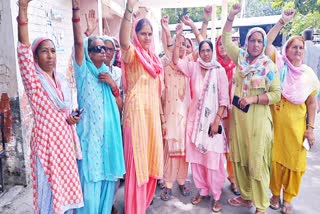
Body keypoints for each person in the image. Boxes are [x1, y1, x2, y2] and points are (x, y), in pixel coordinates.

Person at [16, 0, 83, 213]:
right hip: (46, 146)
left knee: (66, 194)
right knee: (48, 194)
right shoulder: (34, 80)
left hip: (64, 144)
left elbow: (64, 111)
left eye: (53, 51)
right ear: (36, 57)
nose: (50, 55)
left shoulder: (62, 80)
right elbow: (23, 52)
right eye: (44, 51)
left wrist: (72, 118)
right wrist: (23, 10)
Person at [222, 4, 281, 214]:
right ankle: (246, 197)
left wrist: (254, 98)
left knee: (257, 160)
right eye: (252, 40)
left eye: (259, 41)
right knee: (241, 158)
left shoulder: (269, 66)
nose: (255, 44)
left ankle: (262, 205)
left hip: (258, 119)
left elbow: (276, 94)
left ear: (263, 43)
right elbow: (225, 39)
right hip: (239, 119)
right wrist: (231, 16)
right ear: (246, 42)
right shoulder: (240, 58)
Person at [71, 0, 125, 213]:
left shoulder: (109, 74)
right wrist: (76, 14)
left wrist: (112, 85)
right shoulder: (83, 72)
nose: (103, 52)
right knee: (90, 187)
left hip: (107, 144)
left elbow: (120, 108)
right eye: (96, 49)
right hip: (90, 141)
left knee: (106, 186)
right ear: (88, 53)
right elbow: (77, 44)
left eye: (105, 48)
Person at [266, 9, 320, 214]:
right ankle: (275, 195)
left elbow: (312, 104)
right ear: (286, 51)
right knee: (274, 162)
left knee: (294, 165)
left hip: (297, 130)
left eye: (301, 48)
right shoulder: (279, 67)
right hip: (275, 127)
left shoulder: (308, 75)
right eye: (294, 47)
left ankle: (288, 199)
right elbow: (267, 44)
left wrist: (310, 129)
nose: (298, 51)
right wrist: (281, 22)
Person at [173, 20, 229, 212]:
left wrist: (216, 121)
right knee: (197, 161)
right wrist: (178, 36)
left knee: (213, 161)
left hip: (212, 125)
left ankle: (216, 195)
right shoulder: (193, 67)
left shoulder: (219, 71)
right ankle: (203, 191)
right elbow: (175, 62)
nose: (205, 53)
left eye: (208, 50)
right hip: (195, 123)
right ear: (199, 51)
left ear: (212, 52)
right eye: (202, 50)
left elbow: (224, 99)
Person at [119, 0, 164, 213]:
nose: (146, 37)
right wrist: (129, 9)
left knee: (150, 163)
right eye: (143, 33)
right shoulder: (132, 55)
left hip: (151, 119)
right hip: (136, 118)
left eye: (149, 34)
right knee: (137, 166)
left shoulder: (154, 59)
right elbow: (123, 40)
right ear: (136, 34)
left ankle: (142, 206)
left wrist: (162, 120)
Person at [159, 15, 191, 201]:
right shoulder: (166, 65)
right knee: (170, 149)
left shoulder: (189, 66)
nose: (181, 48)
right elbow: (168, 47)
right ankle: (168, 182)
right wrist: (167, 31)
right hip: (170, 116)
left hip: (186, 116)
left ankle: (181, 181)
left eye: (185, 45)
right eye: (180, 45)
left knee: (184, 151)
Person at [215, 35, 240, 196]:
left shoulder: (238, 65)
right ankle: (214, 179)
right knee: (217, 145)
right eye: (220, 44)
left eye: (226, 44)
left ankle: (233, 178)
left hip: (233, 111)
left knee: (232, 146)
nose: (223, 47)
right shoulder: (214, 65)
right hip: (215, 111)